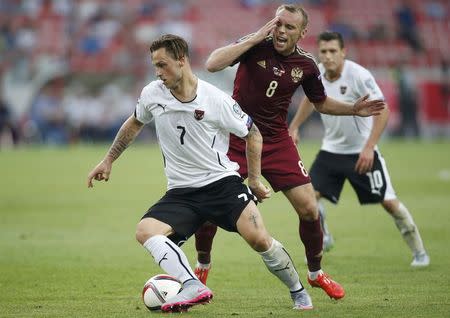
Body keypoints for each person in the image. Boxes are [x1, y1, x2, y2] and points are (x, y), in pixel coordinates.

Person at [87, 34, 315, 313]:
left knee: (259, 240)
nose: (158, 73)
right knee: (146, 231)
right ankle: (191, 284)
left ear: (182, 60)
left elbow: (252, 133)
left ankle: (299, 292)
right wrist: (108, 160)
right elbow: (134, 123)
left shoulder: (215, 99)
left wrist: (254, 178)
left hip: (222, 185)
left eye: (163, 65)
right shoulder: (152, 94)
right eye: (155, 66)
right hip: (182, 193)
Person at [193, 4, 385, 300]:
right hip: (236, 136)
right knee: (209, 208)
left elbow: (320, 102)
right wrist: (254, 37)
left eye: (289, 27)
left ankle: (316, 273)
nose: (281, 31)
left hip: (276, 141)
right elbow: (212, 64)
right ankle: (202, 266)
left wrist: (352, 110)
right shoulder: (255, 45)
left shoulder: (307, 65)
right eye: (278, 24)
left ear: (302, 33)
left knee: (309, 209)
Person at [288, 31, 430, 267]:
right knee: (309, 199)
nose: (328, 56)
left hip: (360, 151)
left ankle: (419, 252)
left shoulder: (359, 75)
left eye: (333, 51)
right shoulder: (317, 73)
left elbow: (382, 110)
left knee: (389, 202)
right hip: (331, 151)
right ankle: (323, 238)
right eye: (323, 51)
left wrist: (369, 147)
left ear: (343, 52)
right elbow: (310, 100)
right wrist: (294, 126)